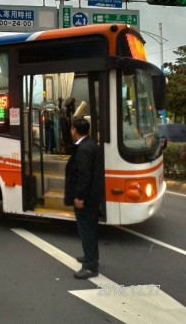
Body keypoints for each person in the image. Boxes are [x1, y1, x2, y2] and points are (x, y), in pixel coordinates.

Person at [64, 117, 103, 279]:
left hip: (86, 198)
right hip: (93, 196)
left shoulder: (83, 149)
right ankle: (91, 257)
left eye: (72, 129)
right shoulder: (90, 143)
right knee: (91, 228)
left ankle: (90, 267)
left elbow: (83, 176)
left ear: (74, 130)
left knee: (86, 229)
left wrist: (79, 196)